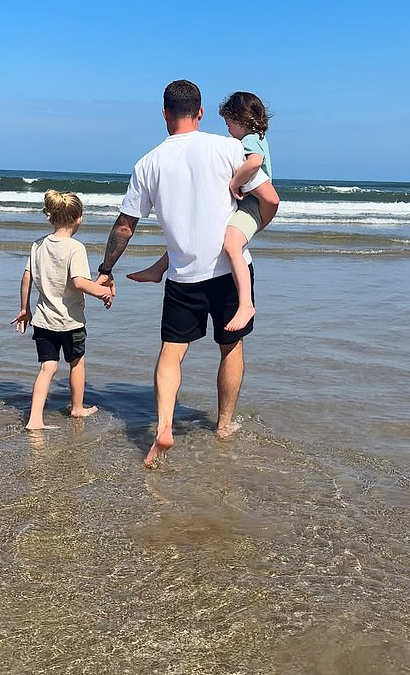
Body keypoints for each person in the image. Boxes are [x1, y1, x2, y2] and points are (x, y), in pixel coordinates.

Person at [95, 80, 279, 466]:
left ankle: (164, 425)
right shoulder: (228, 147)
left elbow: (125, 225)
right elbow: (269, 197)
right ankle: (224, 425)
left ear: (164, 113)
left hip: (182, 276)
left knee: (171, 354)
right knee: (230, 348)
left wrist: (106, 269)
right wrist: (250, 231)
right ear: (200, 113)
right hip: (230, 271)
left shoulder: (148, 163)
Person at [127, 90, 274, 332]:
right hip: (249, 203)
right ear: (200, 112)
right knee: (198, 234)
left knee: (231, 245)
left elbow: (258, 168)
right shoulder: (238, 142)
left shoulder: (247, 142)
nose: (227, 129)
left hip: (252, 202)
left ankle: (246, 304)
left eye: (228, 123)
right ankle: (158, 269)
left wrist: (235, 183)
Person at [12, 189, 112, 430]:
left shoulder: (37, 245)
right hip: (71, 321)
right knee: (76, 362)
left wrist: (24, 309)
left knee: (47, 367)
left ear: (51, 217)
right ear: (79, 218)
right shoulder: (75, 248)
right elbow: (79, 282)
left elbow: (27, 277)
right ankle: (77, 408)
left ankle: (35, 419)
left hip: (43, 320)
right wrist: (103, 291)